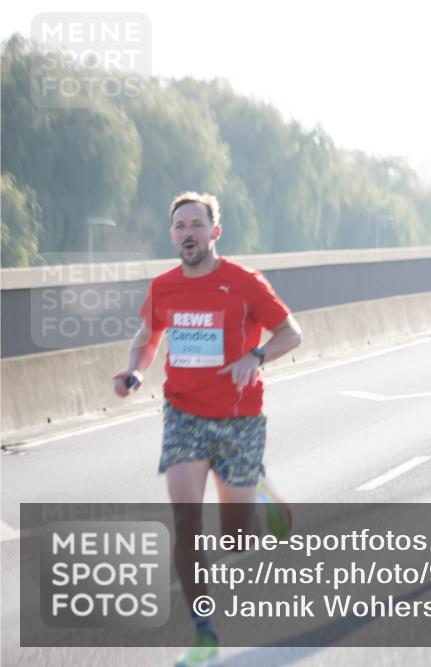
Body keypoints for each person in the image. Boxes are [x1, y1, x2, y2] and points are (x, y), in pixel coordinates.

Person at [112, 192, 302, 667]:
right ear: (172, 235)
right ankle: (204, 633)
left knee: (237, 538)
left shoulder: (243, 282)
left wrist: (255, 356)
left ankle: (258, 489)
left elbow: (291, 332)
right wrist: (135, 371)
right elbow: (147, 338)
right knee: (186, 521)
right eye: (180, 226)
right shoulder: (164, 287)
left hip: (239, 417)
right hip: (184, 414)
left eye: (197, 225)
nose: (188, 233)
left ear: (215, 232)